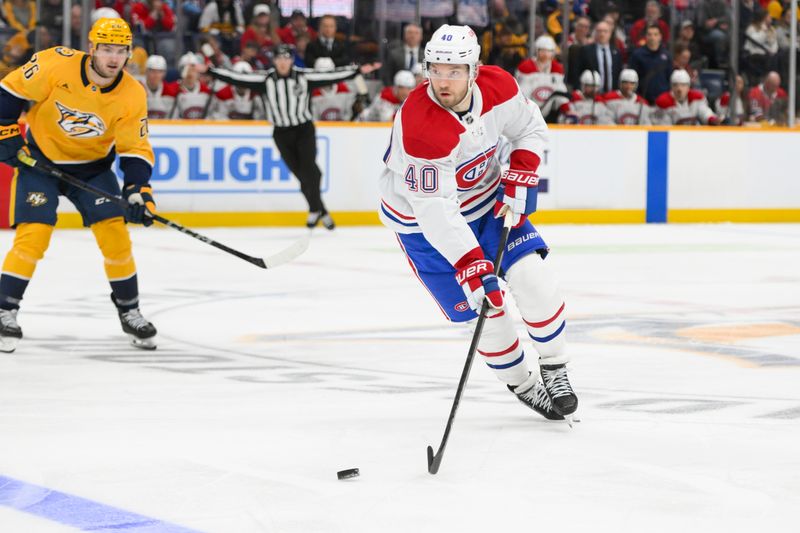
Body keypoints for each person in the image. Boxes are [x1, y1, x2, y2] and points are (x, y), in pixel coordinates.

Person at [377, 24, 578, 422]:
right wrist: (470, 264)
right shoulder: (420, 125)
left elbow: (530, 127)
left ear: (474, 68)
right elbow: (435, 210)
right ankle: (523, 384)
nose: (443, 80)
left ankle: (554, 366)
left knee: (533, 280)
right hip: (422, 225)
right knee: (486, 312)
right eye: (435, 69)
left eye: (454, 71)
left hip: (485, 203)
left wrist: (522, 167)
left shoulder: (499, 87)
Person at [0, 17, 158, 351]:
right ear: (92, 49)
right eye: (106, 49)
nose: (113, 58)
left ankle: (130, 311)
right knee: (34, 234)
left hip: (92, 169)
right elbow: (9, 92)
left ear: (129, 53)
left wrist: (138, 190)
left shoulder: (132, 93)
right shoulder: (56, 63)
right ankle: (4, 310)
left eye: (120, 50)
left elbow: (134, 149)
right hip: (39, 161)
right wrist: (6, 131)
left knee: (115, 235)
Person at [197, 44, 380, 229]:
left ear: (291, 60)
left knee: (310, 171)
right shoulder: (266, 79)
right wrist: (211, 71)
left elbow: (331, 75)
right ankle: (320, 210)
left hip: (303, 130)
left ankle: (316, 210)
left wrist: (357, 71)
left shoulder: (303, 77)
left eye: (286, 58)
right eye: (279, 59)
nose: (283, 63)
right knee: (303, 175)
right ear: (274, 61)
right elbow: (237, 77)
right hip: (281, 133)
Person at [515, 35, 569, 122]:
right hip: (528, 114)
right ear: (537, 51)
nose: (545, 54)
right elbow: (523, 93)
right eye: (542, 51)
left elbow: (560, 91)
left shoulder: (556, 69)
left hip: (549, 114)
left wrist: (566, 109)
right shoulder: (527, 68)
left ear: (553, 53)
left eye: (549, 51)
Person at [652, 69, 718, 125]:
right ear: (671, 87)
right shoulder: (663, 102)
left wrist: (711, 119)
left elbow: (705, 112)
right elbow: (662, 128)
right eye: (675, 85)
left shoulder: (696, 98)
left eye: (683, 85)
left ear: (688, 86)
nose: (679, 89)